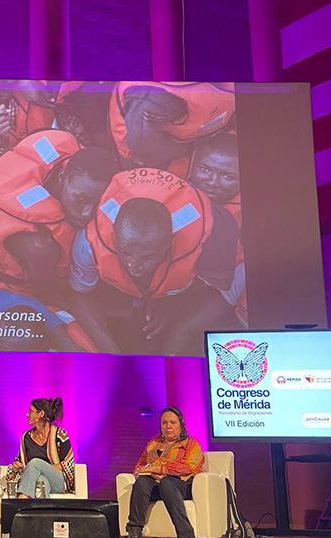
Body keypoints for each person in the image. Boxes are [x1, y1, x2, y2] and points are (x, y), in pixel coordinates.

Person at [69, 170, 225, 355]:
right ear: (115, 237)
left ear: (168, 244)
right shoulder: (88, 243)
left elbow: (212, 296)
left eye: (146, 257)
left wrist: (170, 306)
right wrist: (112, 353)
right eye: (125, 252)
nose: (133, 266)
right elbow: (79, 295)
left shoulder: (208, 243)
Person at [0, 130, 120, 303]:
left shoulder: (71, 172)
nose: (87, 213)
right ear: (62, 177)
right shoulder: (38, 244)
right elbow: (51, 296)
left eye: (99, 203)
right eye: (81, 200)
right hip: (7, 290)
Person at [125, 406, 204, 538]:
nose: (168, 426)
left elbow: (188, 466)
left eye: (173, 422)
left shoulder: (191, 444)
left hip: (181, 486)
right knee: (141, 482)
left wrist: (160, 468)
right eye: (164, 423)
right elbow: (139, 466)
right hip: (156, 485)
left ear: (181, 425)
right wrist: (150, 472)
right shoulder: (153, 444)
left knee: (167, 482)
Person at [186, 132, 247, 325]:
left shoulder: (254, 216)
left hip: (224, 282)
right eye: (204, 169)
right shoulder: (174, 192)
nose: (211, 182)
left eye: (227, 176)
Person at [109, 82, 235, 169]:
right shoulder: (154, 97)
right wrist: (191, 151)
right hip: (150, 153)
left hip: (196, 139)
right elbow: (142, 149)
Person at [6, 398, 75, 498]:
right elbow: (22, 462)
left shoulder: (59, 434)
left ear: (41, 414)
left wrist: (40, 468)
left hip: (58, 482)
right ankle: (41, 512)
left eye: (30, 411)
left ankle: (21, 498)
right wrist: (18, 465)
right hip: (35, 479)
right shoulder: (26, 437)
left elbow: (68, 465)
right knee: (41, 482)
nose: (27, 414)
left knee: (35, 463)